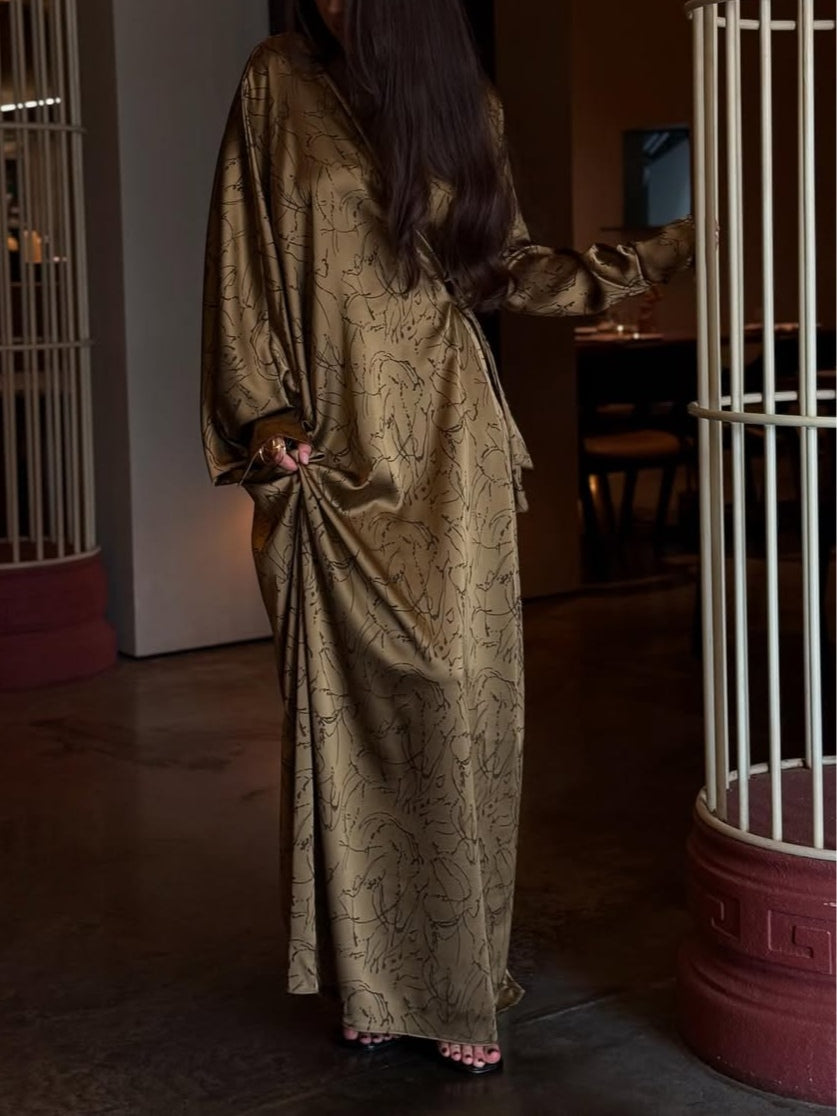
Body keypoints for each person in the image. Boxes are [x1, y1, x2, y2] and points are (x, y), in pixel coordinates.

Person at [201, 0, 694, 1077]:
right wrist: (265, 414)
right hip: (334, 457)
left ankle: (459, 976)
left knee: (461, 709)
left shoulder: (465, 103)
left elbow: (503, 270)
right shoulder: (276, 81)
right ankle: (377, 982)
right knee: (350, 723)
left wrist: (657, 253)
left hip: (449, 448)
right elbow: (242, 264)